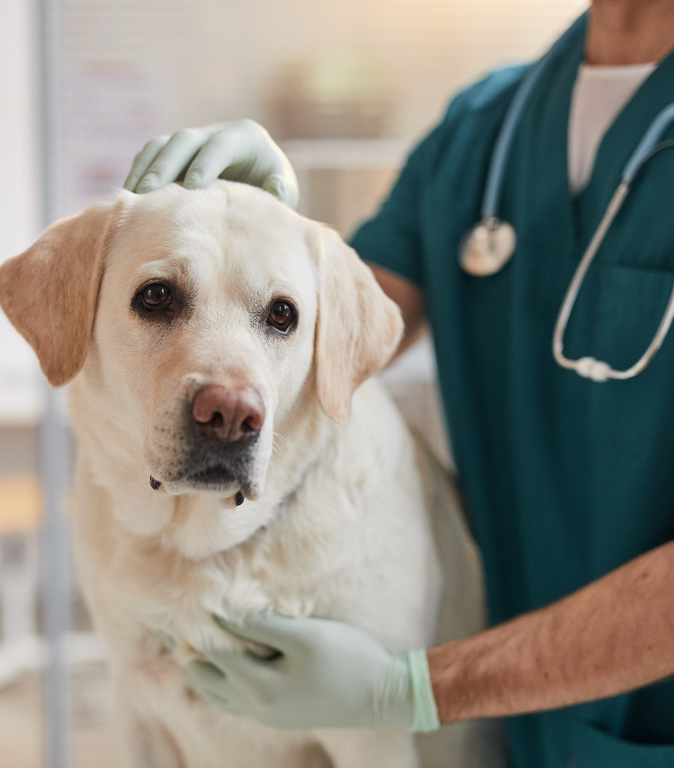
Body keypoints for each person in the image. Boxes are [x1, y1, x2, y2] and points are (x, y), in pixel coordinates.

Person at [122, 1, 674, 765]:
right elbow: (330, 336)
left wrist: (408, 689)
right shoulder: (483, 130)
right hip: (521, 730)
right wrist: (264, 233)